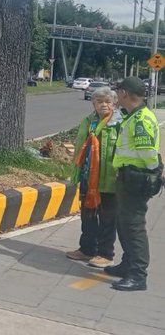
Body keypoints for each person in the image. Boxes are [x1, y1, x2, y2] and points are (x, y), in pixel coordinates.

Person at [106, 76, 162, 291]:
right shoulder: (134, 116)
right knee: (124, 223)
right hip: (130, 176)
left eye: (118, 92)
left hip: (136, 178)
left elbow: (148, 154)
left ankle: (138, 275)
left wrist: (151, 176)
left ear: (125, 94)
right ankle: (128, 264)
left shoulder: (140, 120)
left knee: (133, 226)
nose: (117, 96)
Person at [65, 87, 121, 268]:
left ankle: (105, 254)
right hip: (89, 177)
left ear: (114, 104)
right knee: (88, 214)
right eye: (99, 101)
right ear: (93, 104)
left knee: (107, 217)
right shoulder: (88, 121)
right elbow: (81, 147)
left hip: (110, 179)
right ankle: (86, 249)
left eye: (107, 102)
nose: (103, 105)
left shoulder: (120, 123)